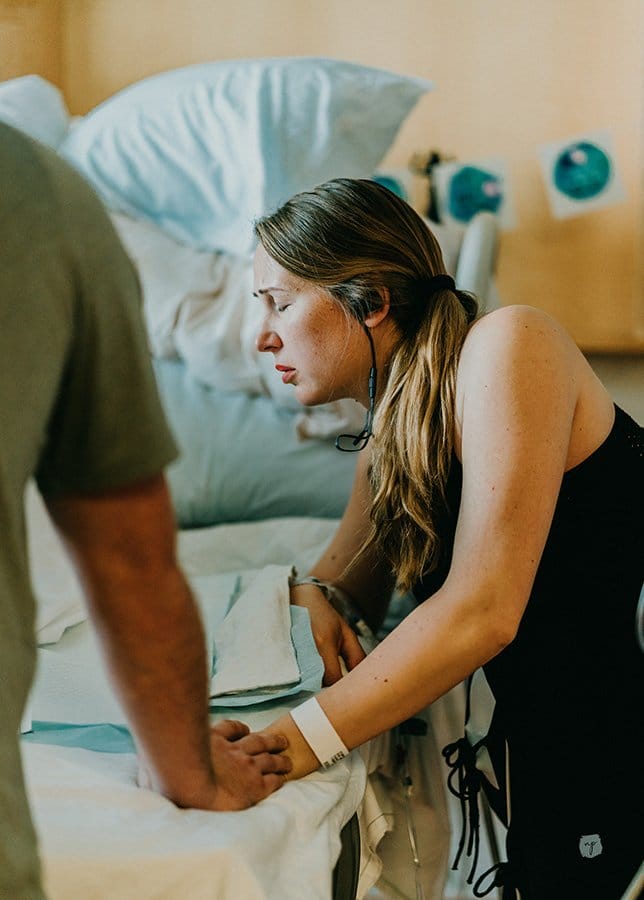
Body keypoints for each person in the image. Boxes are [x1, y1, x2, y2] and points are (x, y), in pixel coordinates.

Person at [251, 178, 643, 899]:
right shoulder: (399, 421)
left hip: (616, 744)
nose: (262, 335)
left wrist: (291, 744)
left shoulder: (509, 345)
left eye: (279, 302)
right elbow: (344, 579)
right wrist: (315, 593)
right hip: (549, 748)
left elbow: (483, 611)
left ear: (369, 301)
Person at [0, 122, 290, 900]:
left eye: (281, 305)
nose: (264, 340)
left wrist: (320, 586)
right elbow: (128, 560)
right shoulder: (38, 198)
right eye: (258, 305)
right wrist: (194, 772)